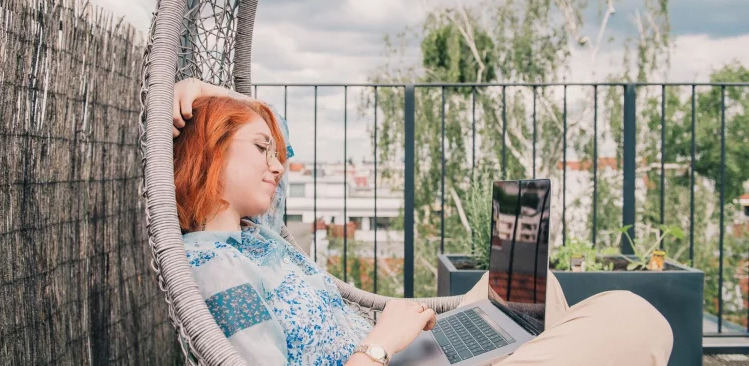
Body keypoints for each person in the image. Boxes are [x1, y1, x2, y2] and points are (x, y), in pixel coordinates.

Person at [172, 78, 674, 366]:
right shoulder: (214, 267)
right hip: (387, 355)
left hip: (411, 356)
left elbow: (272, 121)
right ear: (210, 151)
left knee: (533, 293)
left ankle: (504, 342)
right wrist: (381, 343)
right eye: (262, 150)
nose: (279, 164)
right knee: (632, 314)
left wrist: (203, 92)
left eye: (276, 153)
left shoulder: (253, 235)